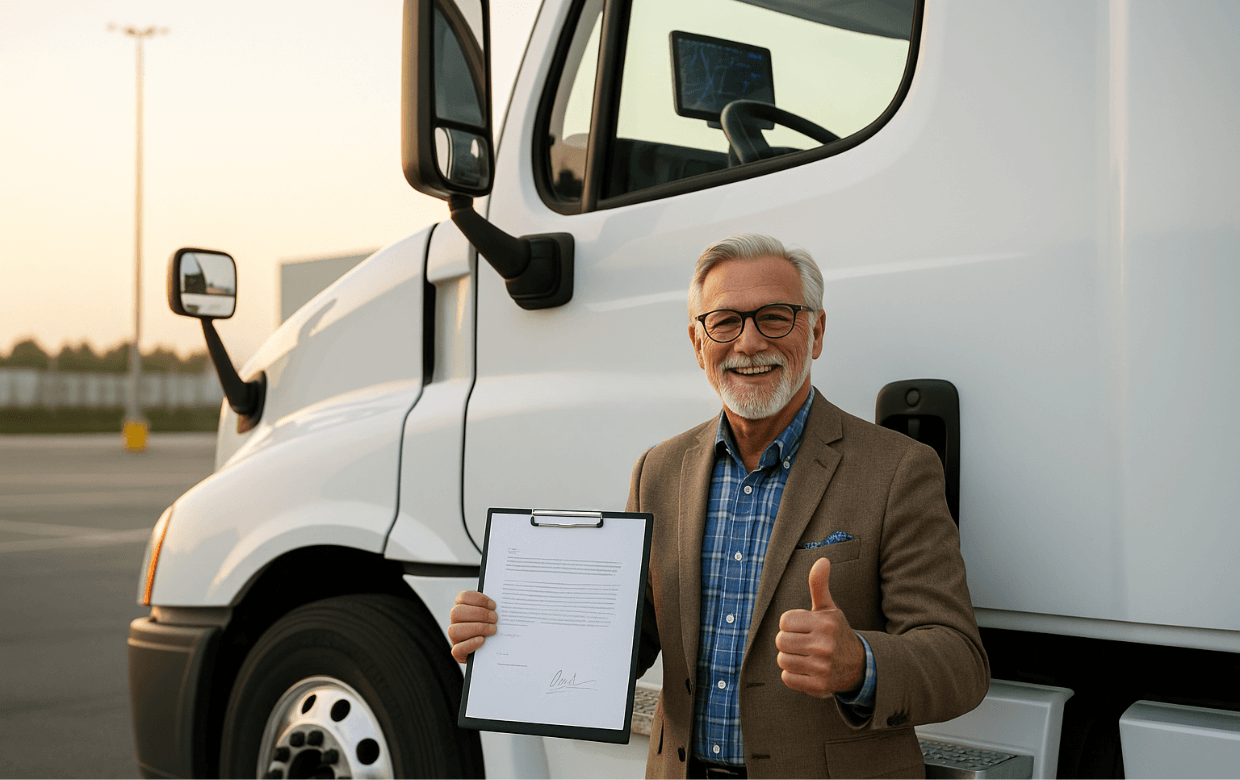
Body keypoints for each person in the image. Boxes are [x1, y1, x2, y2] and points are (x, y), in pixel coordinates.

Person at [450, 234, 989, 779]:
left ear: (817, 332)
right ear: (697, 342)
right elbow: (625, 642)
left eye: (775, 317)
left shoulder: (898, 469)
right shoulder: (657, 470)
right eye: (725, 321)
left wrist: (859, 665)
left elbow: (961, 663)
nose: (749, 343)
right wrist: (509, 639)